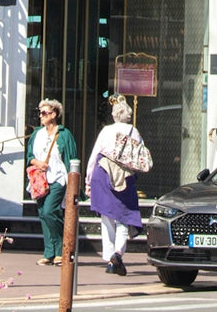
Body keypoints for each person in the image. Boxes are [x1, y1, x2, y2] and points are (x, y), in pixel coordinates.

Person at [87, 95, 151, 276]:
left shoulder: (106, 131)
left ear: (114, 115)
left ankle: (109, 258)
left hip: (103, 174)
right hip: (125, 177)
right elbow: (140, 156)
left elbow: (94, 156)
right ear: (128, 115)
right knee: (124, 217)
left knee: (107, 218)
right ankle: (118, 253)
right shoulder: (134, 132)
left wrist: (87, 180)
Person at [26, 98, 78, 265]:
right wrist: (37, 163)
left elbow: (72, 157)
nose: (40, 116)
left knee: (50, 211)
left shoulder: (64, 134)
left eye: (44, 113)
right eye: (39, 113)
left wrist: (74, 181)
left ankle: (62, 249)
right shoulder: (37, 134)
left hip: (57, 178)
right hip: (40, 180)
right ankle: (49, 253)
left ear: (54, 114)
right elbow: (29, 157)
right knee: (42, 214)